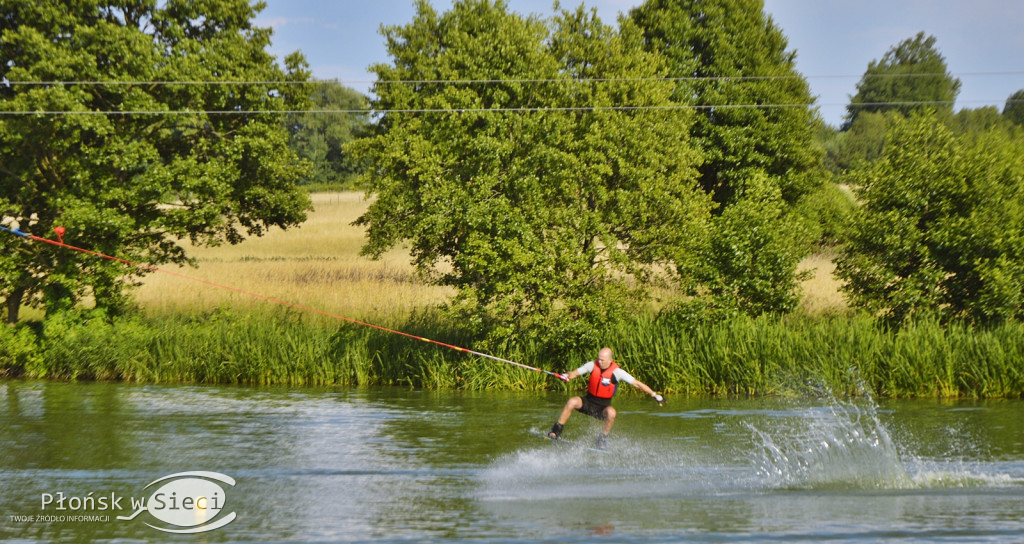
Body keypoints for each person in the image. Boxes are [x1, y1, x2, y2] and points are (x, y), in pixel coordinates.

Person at [547, 347, 664, 449]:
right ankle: (556, 430)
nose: (599, 361)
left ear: (610, 360)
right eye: (598, 358)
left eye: (602, 360)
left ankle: (601, 440)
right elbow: (575, 373)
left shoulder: (618, 372)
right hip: (588, 401)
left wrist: (654, 395)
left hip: (602, 407)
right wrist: (567, 376)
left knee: (612, 412)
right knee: (572, 401)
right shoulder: (592, 365)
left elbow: (637, 384)